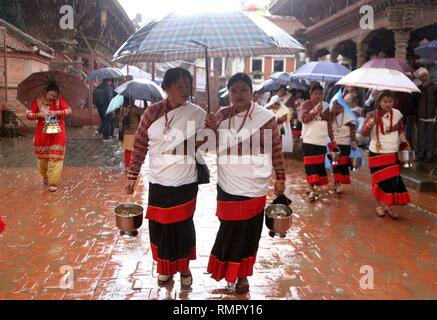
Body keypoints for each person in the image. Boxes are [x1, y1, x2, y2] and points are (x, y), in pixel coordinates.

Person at [125, 68, 209, 289]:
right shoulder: (151, 114)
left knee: (182, 226)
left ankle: (184, 268)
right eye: (179, 86)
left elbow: (210, 142)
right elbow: (140, 144)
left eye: (187, 86)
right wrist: (132, 176)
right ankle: (164, 268)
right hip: (158, 181)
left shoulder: (198, 114)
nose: (185, 90)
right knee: (160, 226)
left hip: (186, 181)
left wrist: (203, 138)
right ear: (167, 88)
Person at [206, 73, 286, 294]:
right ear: (228, 94)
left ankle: (242, 277)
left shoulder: (267, 117)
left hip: (254, 186)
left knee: (249, 233)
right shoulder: (221, 116)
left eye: (243, 89)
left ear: (252, 93)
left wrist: (280, 177)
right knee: (229, 230)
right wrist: (210, 127)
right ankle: (229, 273)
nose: (238, 94)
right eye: (233, 90)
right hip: (227, 184)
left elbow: (276, 150)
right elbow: (207, 145)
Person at [360, 90, 411, 219]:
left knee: (392, 181)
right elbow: (363, 133)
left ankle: (389, 205)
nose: (388, 104)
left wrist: (403, 137)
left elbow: (401, 129)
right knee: (378, 181)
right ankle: (380, 205)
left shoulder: (397, 114)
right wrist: (370, 124)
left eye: (390, 101)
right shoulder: (372, 114)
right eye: (385, 101)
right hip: (376, 153)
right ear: (379, 102)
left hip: (392, 152)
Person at [26, 83, 72, 192]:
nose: (52, 98)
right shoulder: (38, 101)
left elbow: (69, 111)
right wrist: (39, 115)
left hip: (58, 133)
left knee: (56, 158)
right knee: (43, 158)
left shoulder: (59, 101)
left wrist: (57, 112)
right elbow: (29, 115)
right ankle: (45, 175)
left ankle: (53, 182)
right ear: (46, 92)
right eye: (50, 95)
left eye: (55, 96)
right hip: (42, 133)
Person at [300, 83, 333, 202]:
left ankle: (311, 186)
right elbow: (304, 119)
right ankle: (312, 189)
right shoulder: (306, 104)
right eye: (315, 93)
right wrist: (314, 111)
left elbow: (329, 124)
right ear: (311, 94)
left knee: (318, 165)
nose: (318, 96)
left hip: (320, 141)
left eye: (320, 93)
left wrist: (332, 141)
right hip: (308, 140)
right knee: (310, 166)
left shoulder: (326, 107)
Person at [330, 99, 358, 195]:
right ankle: (337, 183)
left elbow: (353, 131)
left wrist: (354, 141)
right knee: (335, 164)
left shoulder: (348, 117)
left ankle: (338, 182)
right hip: (334, 144)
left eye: (339, 106)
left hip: (345, 144)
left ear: (343, 107)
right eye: (335, 106)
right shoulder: (330, 116)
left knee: (342, 165)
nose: (337, 108)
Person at [414, 67, 437, 162]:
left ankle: (429, 155)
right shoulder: (419, 89)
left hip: (432, 117)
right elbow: (415, 103)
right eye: (421, 76)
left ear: (428, 75)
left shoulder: (435, 87)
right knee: (420, 137)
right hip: (421, 117)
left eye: (425, 75)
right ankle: (420, 155)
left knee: (431, 138)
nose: (424, 77)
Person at [119, 98, 146, 171]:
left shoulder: (123, 109)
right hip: (133, 132)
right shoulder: (134, 109)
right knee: (132, 150)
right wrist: (144, 101)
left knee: (127, 150)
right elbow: (144, 111)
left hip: (125, 132)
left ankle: (127, 166)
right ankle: (129, 166)